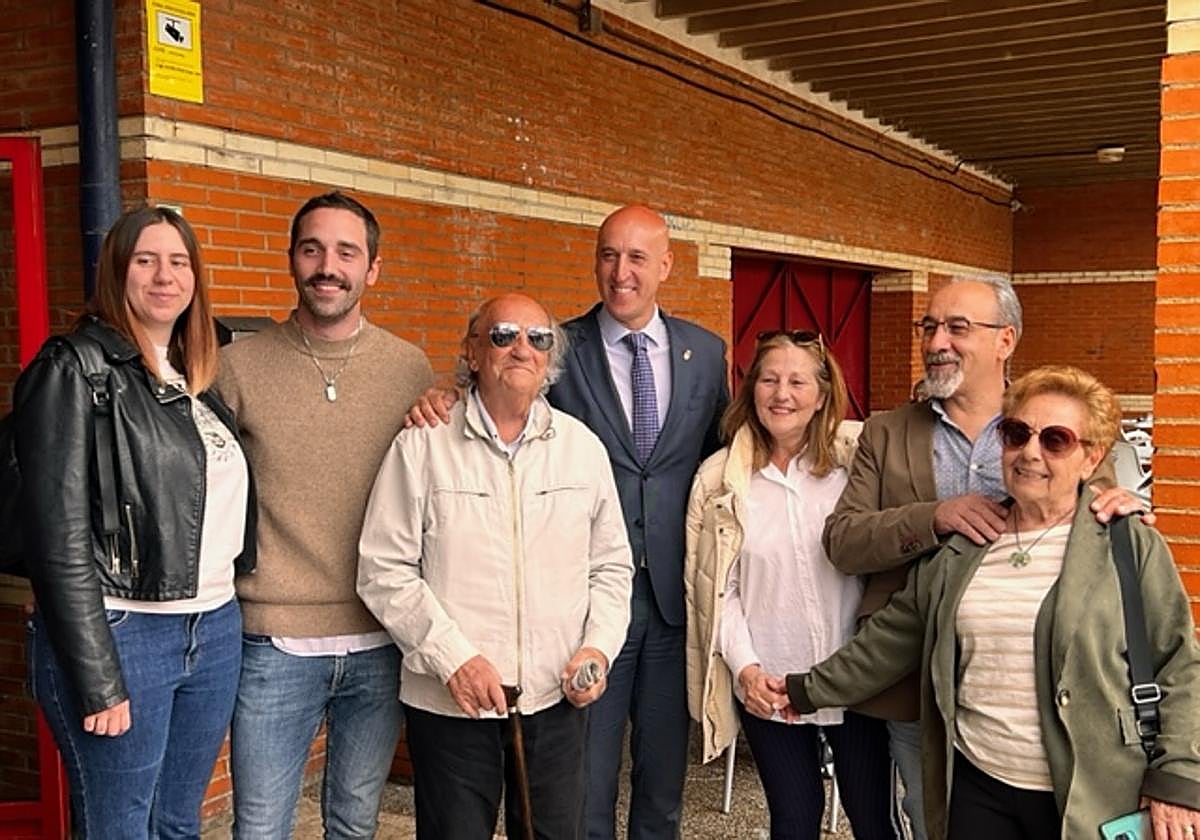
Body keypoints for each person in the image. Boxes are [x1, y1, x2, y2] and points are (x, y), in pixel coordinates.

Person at [407, 204, 729, 839]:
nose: (621, 271)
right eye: (608, 255)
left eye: (637, 257)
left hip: (672, 598)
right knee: (583, 783)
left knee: (664, 776)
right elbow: (505, 404)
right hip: (581, 605)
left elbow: (723, 458)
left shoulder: (706, 351)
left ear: (666, 265)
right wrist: (444, 395)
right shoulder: (557, 344)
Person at [787, 366, 1200, 840]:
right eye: (1016, 434)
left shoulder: (1127, 543)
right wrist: (802, 690)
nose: (1030, 453)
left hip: (1092, 795)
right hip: (978, 787)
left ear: (1091, 458)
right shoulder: (965, 547)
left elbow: (1178, 662)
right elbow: (891, 639)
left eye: (1056, 440)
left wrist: (1178, 779)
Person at [821, 277, 1144, 840]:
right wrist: (934, 517)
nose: (936, 342)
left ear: (1006, 340)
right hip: (918, 682)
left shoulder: (1055, 427)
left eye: (957, 328)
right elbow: (844, 541)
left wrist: (1117, 505)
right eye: (929, 327)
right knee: (935, 823)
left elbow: (1099, 514)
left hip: (1043, 688)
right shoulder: (887, 432)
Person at [358, 292, 634, 839]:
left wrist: (597, 648)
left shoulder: (582, 449)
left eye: (538, 338)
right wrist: (454, 659)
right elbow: (383, 568)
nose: (522, 349)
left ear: (551, 357)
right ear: (473, 351)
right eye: (503, 335)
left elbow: (610, 566)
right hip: (451, 702)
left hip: (556, 699)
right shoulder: (423, 445)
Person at [17, 206, 254, 838]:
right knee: (119, 828)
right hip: (124, 633)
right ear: (117, 271)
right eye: (145, 260)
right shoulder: (74, 368)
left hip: (213, 626)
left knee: (177, 824)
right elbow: (57, 538)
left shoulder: (197, 375)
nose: (164, 276)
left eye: (179, 262)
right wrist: (97, 677)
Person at [217, 192, 434, 839]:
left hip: (380, 639)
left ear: (373, 269)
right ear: (292, 259)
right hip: (272, 640)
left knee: (354, 824)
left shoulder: (409, 369)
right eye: (312, 249)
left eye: (346, 252)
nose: (327, 266)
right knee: (260, 827)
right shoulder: (235, 369)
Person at [685, 330, 901, 840]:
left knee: (873, 820)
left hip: (855, 679)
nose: (782, 394)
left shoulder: (856, 467)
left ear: (822, 395)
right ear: (751, 389)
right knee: (793, 820)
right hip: (771, 681)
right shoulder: (719, 480)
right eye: (769, 380)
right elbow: (718, 591)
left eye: (798, 382)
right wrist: (747, 670)